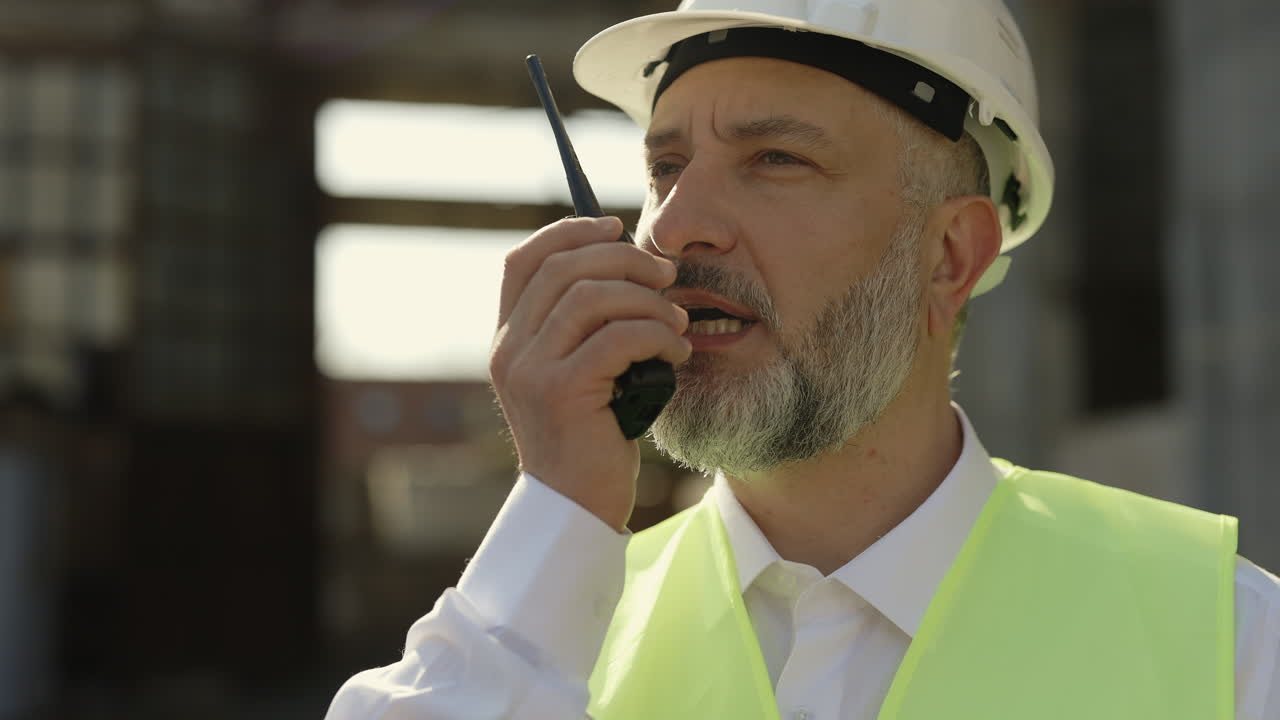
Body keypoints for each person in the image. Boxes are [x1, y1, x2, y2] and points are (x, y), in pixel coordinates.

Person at [326, 1, 1280, 718]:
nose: (675, 225)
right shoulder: (545, 630)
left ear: (951, 255)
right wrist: (558, 508)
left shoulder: (1228, 640)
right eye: (664, 168)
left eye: (776, 158)